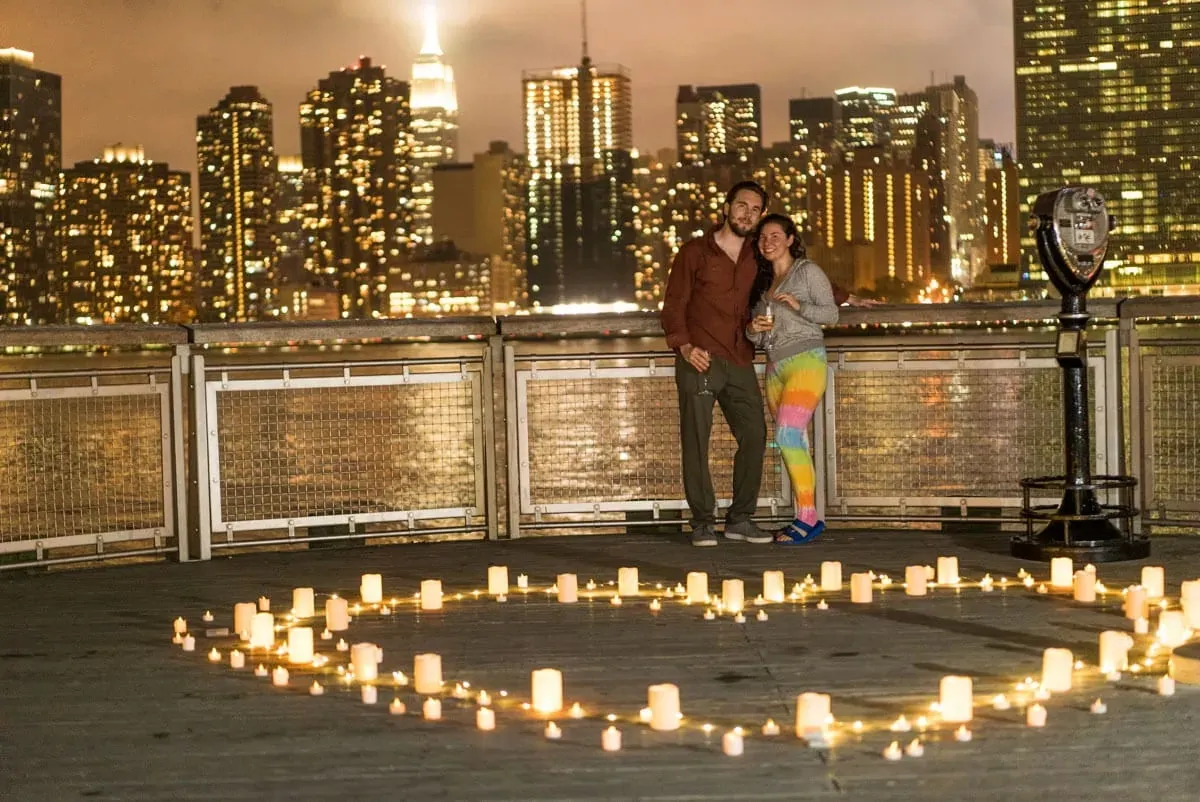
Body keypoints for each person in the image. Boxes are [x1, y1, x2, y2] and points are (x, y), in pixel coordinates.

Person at [661, 181, 775, 547]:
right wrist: (683, 346)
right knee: (696, 442)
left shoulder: (758, 256)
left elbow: (795, 273)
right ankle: (702, 523)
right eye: (742, 206)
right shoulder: (695, 252)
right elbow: (674, 304)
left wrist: (845, 297)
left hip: (739, 357)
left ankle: (740, 519)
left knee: (755, 435)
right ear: (726, 208)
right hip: (699, 359)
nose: (748, 214)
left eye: (756, 210)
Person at [745, 213, 839, 543]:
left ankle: (808, 519)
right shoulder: (763, 283)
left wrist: (800, 306)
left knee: (786, 435)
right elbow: (756, 335)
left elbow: (831, 314)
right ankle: (805, 515)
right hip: (775, 367)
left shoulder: (807, 271)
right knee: (793, 441)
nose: (767, 242)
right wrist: (752, 330)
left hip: (806, 360)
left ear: (789, 239)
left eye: (774, 236)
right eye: (762, 238)